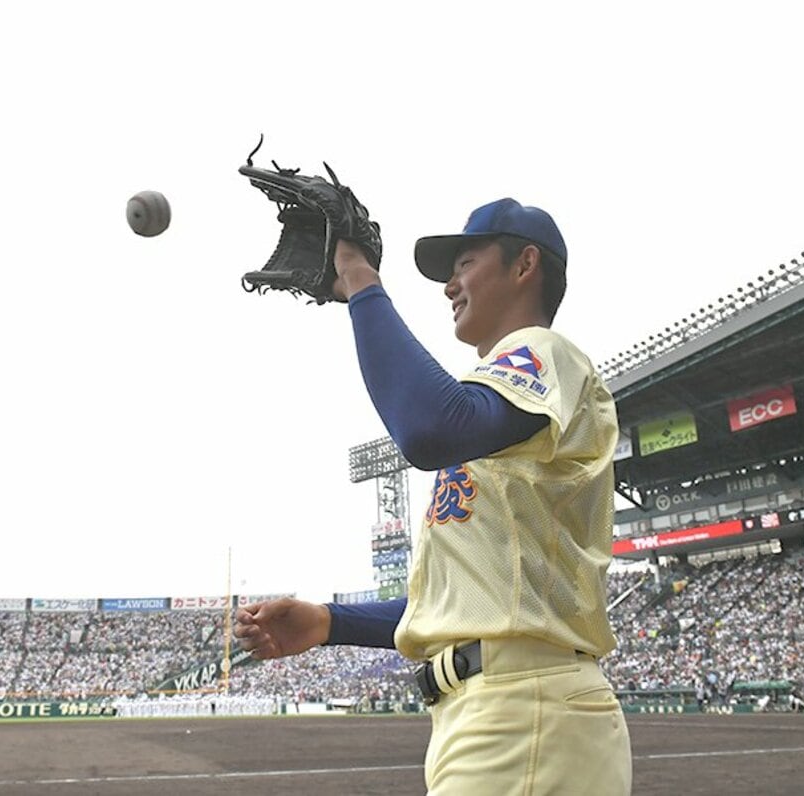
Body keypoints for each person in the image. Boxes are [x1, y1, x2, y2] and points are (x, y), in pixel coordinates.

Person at [234, 198, 633, 794]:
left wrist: (361, 281)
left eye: (465, 262)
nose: (449, 285)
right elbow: (467, 608)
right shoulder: (502, 416)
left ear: (525, 265)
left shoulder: (548, 354)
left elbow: (429, 428)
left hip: (524, 711)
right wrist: (329, 621)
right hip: (501, 711)